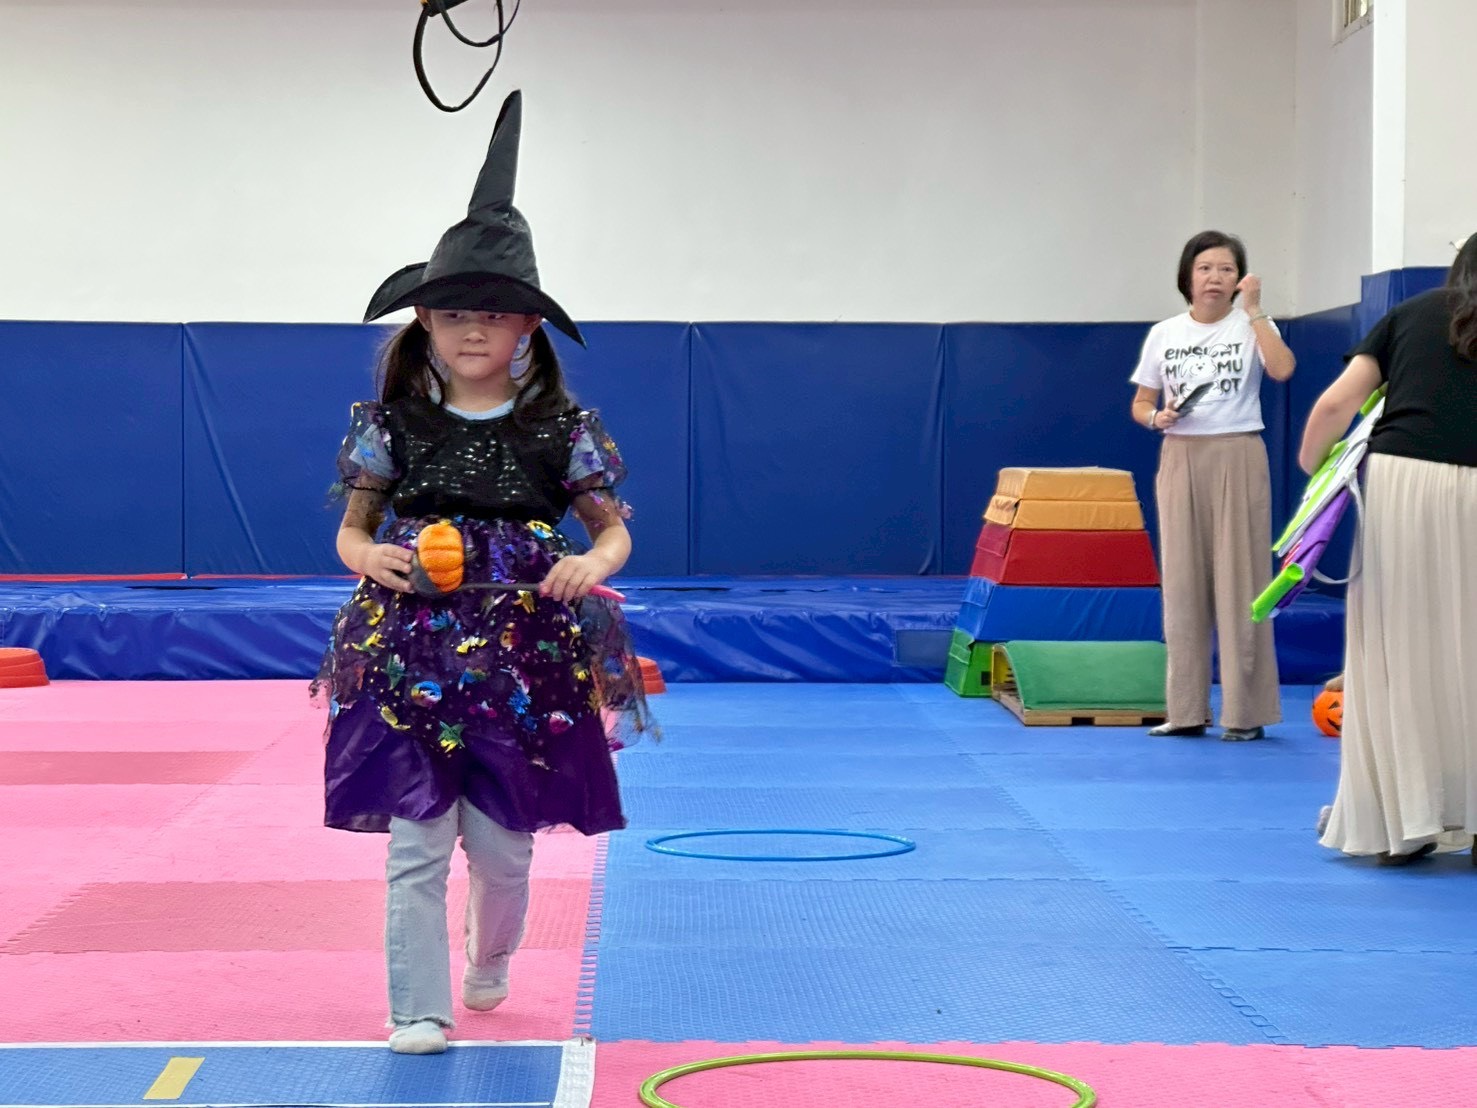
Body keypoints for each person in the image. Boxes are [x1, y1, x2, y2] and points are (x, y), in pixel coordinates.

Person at [310, 90, 655, 1053]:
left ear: (526, 331)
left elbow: (612, 534)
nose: (472, 331)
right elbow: (351, 535)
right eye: (454, 313)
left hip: (521, 658)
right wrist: (372, 558)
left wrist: (588, 562)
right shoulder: (392, 426)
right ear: (424, 320)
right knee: (416, 844)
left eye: (493, 317)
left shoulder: (561, 428)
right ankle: (418, 1008)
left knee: (503, 852)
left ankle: (490, 957)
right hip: (410, 650)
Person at [1306, 234, 1477, 864]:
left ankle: (1404, 823)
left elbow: (1337, 402)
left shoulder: (1410, 314)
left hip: (1404, 480)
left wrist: (1312, 467)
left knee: (1396, 648)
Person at [1129, 230, 1297, 741]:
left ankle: (1246, 713)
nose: (1215, 278)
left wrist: (1256, 310)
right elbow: (1141, 402)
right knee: (1182, 585)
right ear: (1188, 276)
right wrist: (1155, 418)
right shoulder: (1165, 333)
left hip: (1237, 452)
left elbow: (1283, 370)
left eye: (1227, 269)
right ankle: (1185, 710)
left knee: (1241, 580)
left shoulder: (1251, 325)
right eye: (1205, 268)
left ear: (1240, 279)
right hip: (1180, 454)